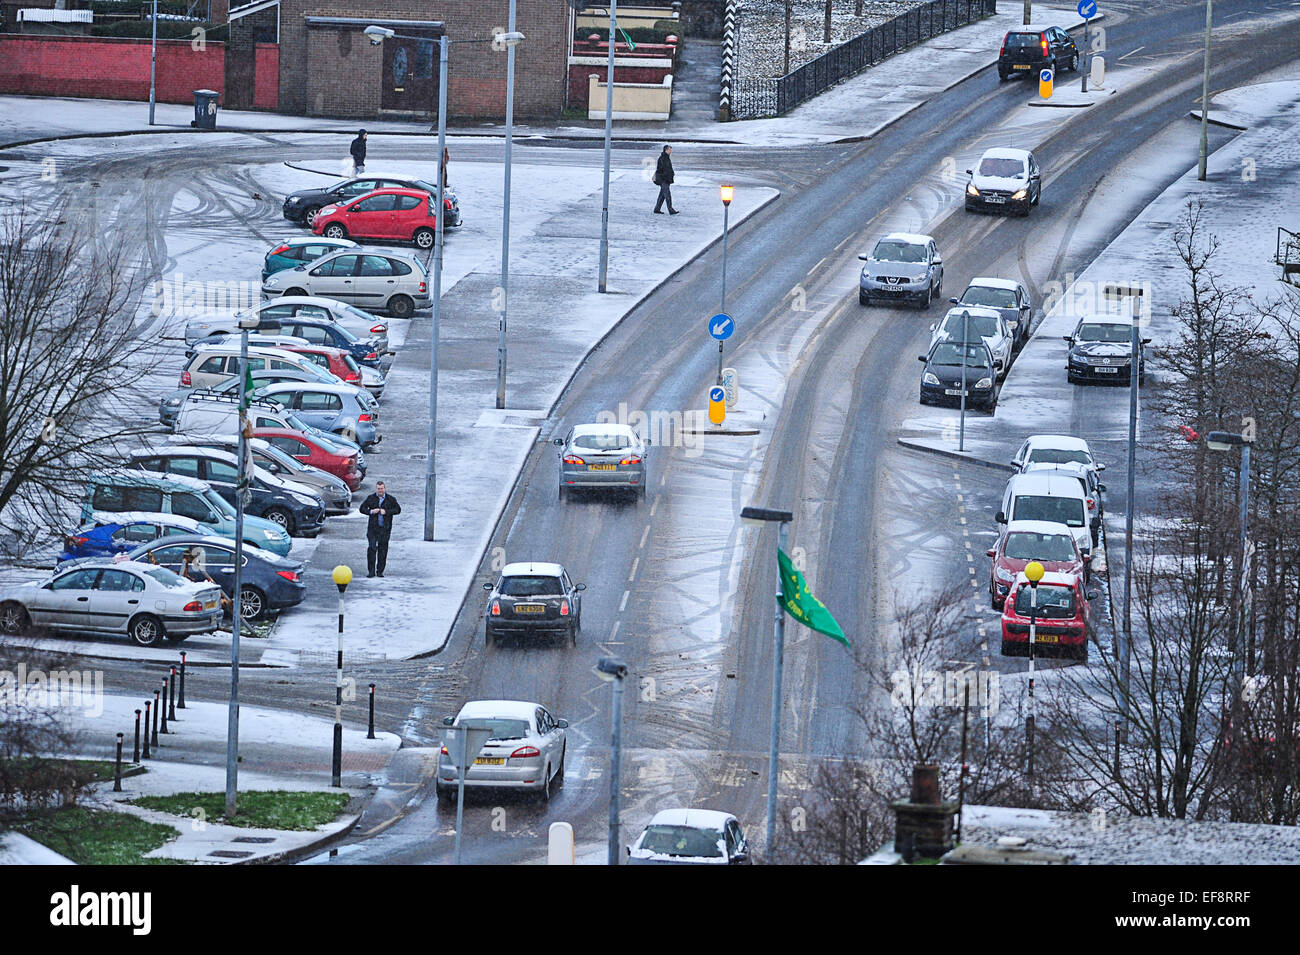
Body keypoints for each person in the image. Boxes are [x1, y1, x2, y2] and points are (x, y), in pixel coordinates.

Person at [359, 481, 400, 578]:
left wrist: (386, 512)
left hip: (385, 529)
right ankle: (371, 571)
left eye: (381, 489)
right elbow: (362, 508)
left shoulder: (390, 499)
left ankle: (380, 571)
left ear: (384, 489)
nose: (380, 490)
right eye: (378, 489)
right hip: (373, 529)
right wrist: (371, 511)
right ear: (376, 489)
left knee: (383, 550)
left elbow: (398, 510)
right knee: (372, 548)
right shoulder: (371, 498)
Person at [653, 144, 678, 215]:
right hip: (663, 179)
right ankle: (671, 210)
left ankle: (657, 209)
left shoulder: (666, 157)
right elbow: (664, 169)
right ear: (666, 150)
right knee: (667, 195)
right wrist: (666, 177)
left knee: (662, 195)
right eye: (670, 150)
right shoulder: (663, 158)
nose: (671, 151)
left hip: (665, 179)